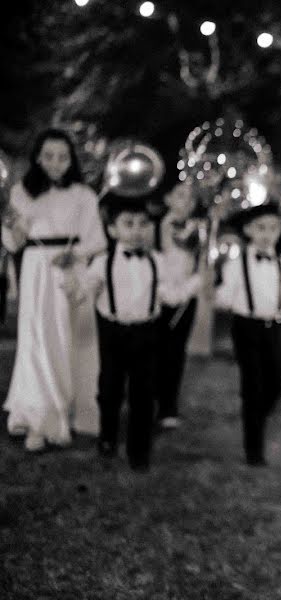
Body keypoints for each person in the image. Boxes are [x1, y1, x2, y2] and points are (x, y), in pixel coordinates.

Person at [68, 193, 201, 471]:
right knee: (110, 389)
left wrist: (196, 283)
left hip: (147, 334)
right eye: (129, 224)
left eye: (143, 224)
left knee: (143, 393)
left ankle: (139, 451)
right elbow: (85, 290)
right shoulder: (102, 262)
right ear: (112, 229)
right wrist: (71, 282)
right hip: (113, 332)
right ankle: (107, 437)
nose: (137, 231)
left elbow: (171, 296)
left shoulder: (157, 261)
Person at [1, 128, 106, 451]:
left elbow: (97, 240)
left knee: (61, 340)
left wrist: (75, 255)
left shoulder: (84, 196)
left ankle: (57, 413)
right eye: (48, 156)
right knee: (34, 339)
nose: (55, 163)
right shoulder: (21, 192)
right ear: (37, 157)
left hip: (66, 270)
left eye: (62, 157)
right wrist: (10, 226)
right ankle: (32, 415)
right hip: (34, 268)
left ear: (71, 159)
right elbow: (12, 243)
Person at [215, 203, 281, 466]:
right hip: (246, 328)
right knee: (253, 386)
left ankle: (256, 415)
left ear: (280, 230)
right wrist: (214, 290)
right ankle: (253, 449)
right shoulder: (236, 263)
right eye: (260, 228)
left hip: (275, 329)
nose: (266, 234)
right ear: (248, 230)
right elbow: (224, 297)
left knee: (277, 383)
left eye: (272, 228)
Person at [155, 181, 206, 430]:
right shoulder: (155, 227)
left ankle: (168, 406)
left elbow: (202, 265)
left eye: (191, 198)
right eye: (180, 195)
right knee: (154, 350)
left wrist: (190, 287)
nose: (186, 202)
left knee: (176, 351)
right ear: (168, 198)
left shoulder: (199, 232)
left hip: (186, 297)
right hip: (157, 295)